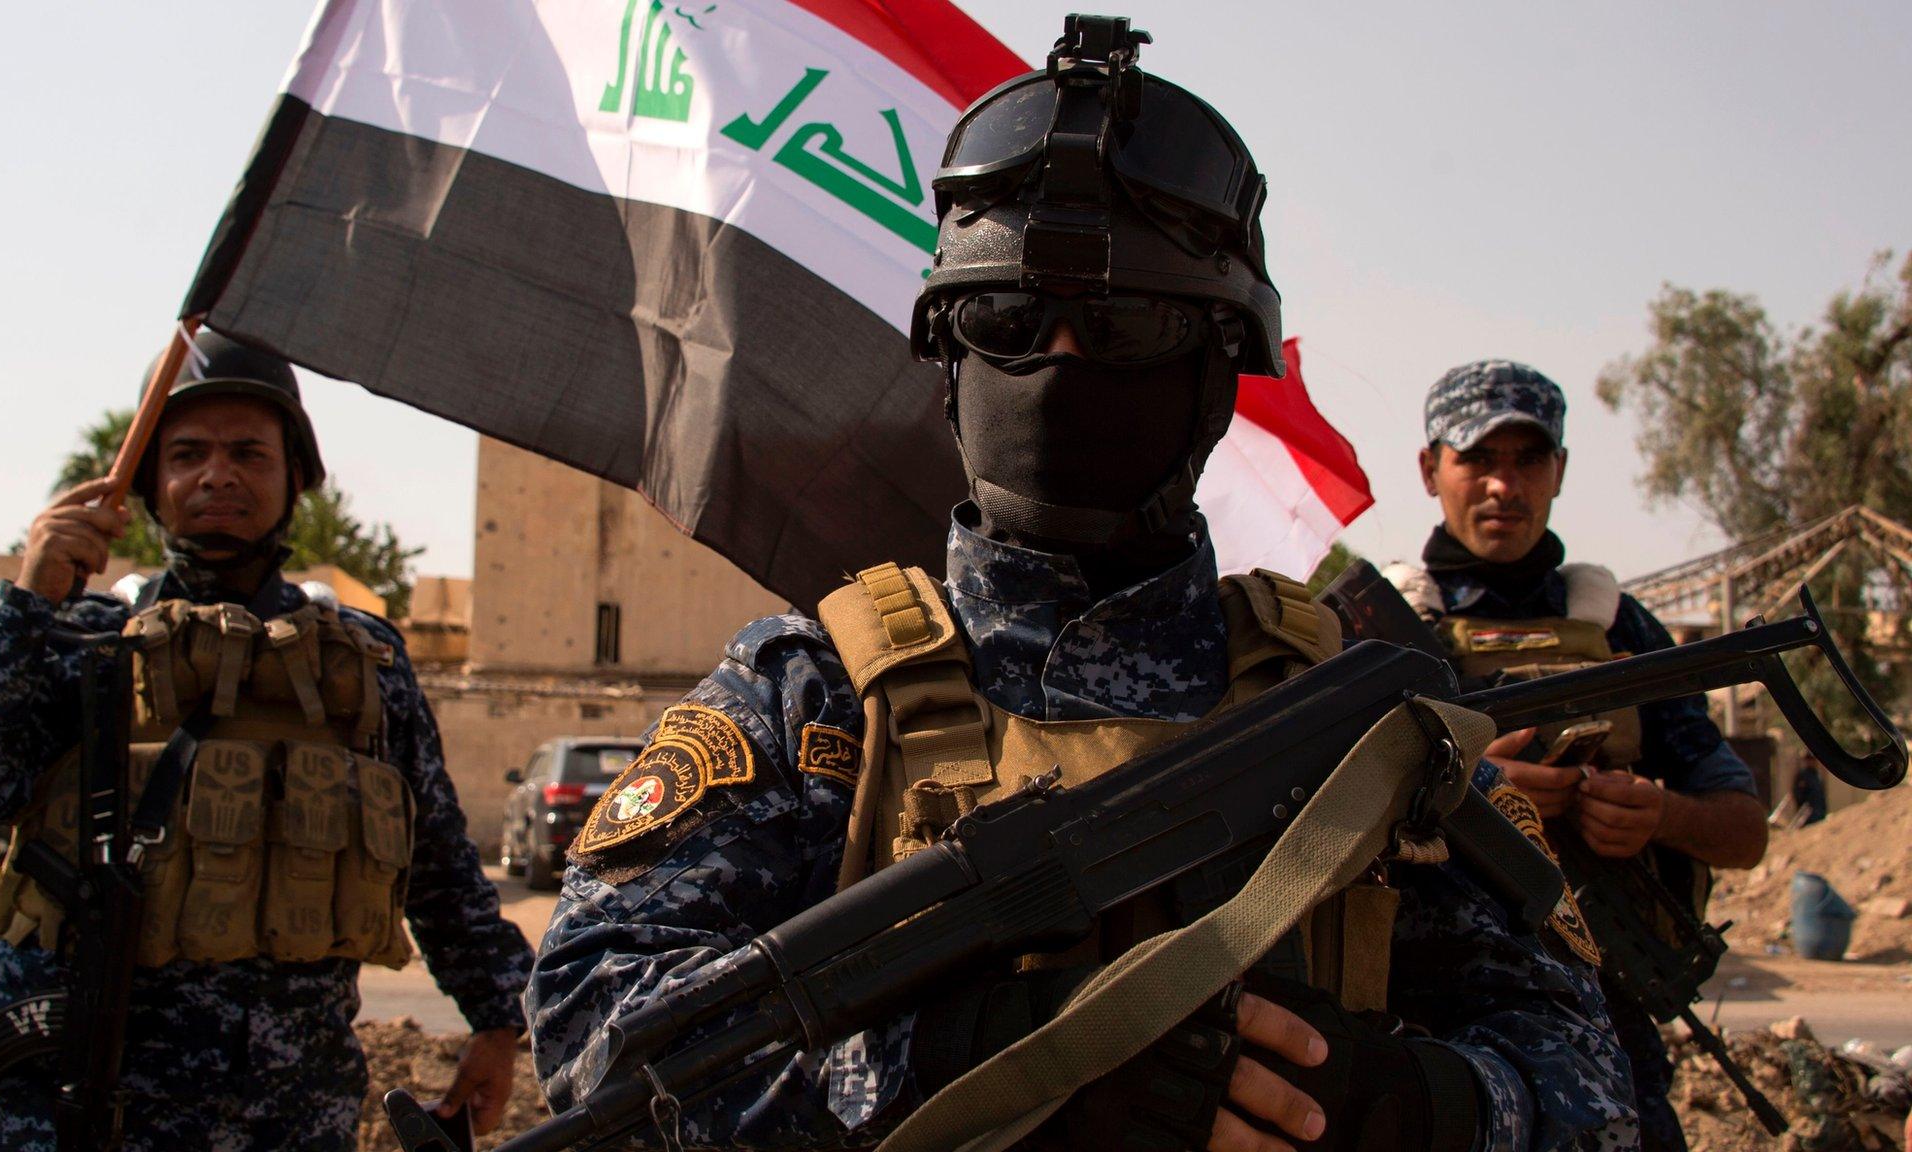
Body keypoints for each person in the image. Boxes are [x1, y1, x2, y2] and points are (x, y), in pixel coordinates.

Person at [528, 16, 1635, 1152]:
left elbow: (1591, 1086)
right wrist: (966, 1060)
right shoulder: (810, 706)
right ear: (949, 365)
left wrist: (1395, 1106)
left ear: (1214, 375)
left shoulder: (1359, 718)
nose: (1059, 365)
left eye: (1123, 325)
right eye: (1004, 322)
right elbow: (594, 1044)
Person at [0, 333, 535, 1150]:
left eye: (249, 453)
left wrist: (496, 1020)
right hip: (81, 1117)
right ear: (148, 482)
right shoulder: (72, 646)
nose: (217, 476)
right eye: (188, 453)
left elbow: (439, 866)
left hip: (289, 1120)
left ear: (295, 477)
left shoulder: (362, 664)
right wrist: (26, 601)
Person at [1391, 358, 1770, 1152]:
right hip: (1423, 1023)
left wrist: (1660, 814)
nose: (1504, 485)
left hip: (1613, 1024)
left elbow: (1743, 830)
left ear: (1558, 470)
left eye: (1528, 459)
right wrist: (1472, 787)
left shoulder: (1620, 628)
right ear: (1432, 470)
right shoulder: (1377, 629)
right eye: (1477, 458)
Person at [1788, 753, 1829, 827]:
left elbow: (1821, 793)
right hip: (1807, 813)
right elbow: (1797, 793)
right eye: (1809, 760)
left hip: (1819, 810)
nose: (1811, 762)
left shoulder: (1817, 775)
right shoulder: (1802, 775)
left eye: (1812, 760)